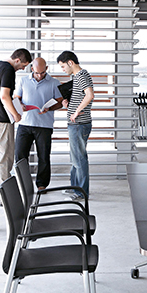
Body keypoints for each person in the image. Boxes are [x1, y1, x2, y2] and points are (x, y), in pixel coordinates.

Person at [13, 57, 63, 190]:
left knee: (44, 156)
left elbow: (60, 102)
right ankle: (22, 183)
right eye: (36, 73)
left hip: (44, 126)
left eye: (42, 73)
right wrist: (20, 105)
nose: (39, 76)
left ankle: (42, 185)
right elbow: (16, 98)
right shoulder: (23, 80)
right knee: (20, 156)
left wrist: (50, 108)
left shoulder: (54, 82)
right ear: (31, 69)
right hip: (25, 124)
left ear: (46, 69)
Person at [0, 48, 33, 201]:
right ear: (17, 60)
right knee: (4, 159)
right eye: (23, 65)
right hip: (2, 121)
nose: (22, 69)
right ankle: (5, 198)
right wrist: (15, 114)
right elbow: (4, 95)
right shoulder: (8, 70)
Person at [57, 50, 94, 199]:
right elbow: (81, 96)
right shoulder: (77, 77)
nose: (63, 69)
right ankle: (75, 187)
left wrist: (76, 111)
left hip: (79, 124)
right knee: (75, 158)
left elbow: (90, 95)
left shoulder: (82, 75)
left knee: (79, 158)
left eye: (63, 66)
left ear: (70, 63)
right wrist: (69, 103)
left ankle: (81, 192)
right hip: (76, 124)